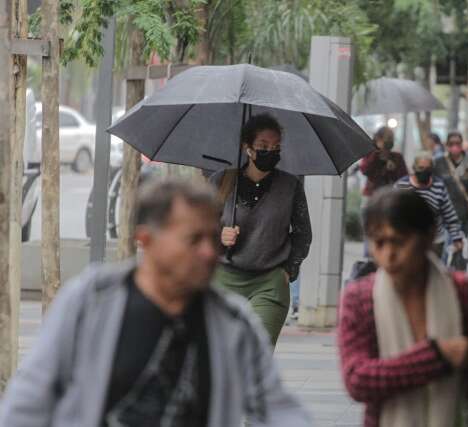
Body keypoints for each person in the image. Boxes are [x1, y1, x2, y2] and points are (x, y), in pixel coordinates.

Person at [0, 178, 311, 427]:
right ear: (146, 240)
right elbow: (29, 401)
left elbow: (280, 410)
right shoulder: (89, 304)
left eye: (212, 238)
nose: (207, 252)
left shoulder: (232, 323)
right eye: (193, 240)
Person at [338, 188, 468, 427]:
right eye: (379, 242)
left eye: (399, 241)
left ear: (428, 237)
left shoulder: (464, 293)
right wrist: (437, 356)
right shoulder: (360, 298)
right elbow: (357, 379)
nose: (388, 254)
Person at [210, 113, 312, 347]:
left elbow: (303, 234)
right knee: (222, 354)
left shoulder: (290, 186)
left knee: (257, 354)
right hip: (224, 280)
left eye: (276, 147)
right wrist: (219, 235)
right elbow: (198, 231)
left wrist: (288, 271)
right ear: (247, 148)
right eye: (263, 146)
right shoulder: (222, 182)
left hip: (270, 282)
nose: (271, 152)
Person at [394, 151, 464, 258]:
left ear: (432, 169)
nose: (424, 172)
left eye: (428, 169)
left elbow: (449, 215)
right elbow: (392, 213)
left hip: (434, 241)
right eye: (421, 168)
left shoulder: (439, 186)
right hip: (408, 240)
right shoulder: (402, 186)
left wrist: (457, 238)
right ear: (414, 168)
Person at [434, 131, 468, 237]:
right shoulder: (439, 162)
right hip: (445, 211)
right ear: (446, 145)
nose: (455, 147)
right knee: (448, 244)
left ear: (462, 144)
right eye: (451, 144)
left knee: (462, 242)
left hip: (466, 211)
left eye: (457, 143)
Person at [359, 126, 409, 200]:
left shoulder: (397, 157)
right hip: (372, 194)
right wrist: (376, 152)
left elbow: (404, 178)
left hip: (391, 195)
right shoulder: (370, 154)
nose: (390, 141)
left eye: (392, 138)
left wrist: (394, 170)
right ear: (378, 139)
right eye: (388, 138)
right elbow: (365, 170)